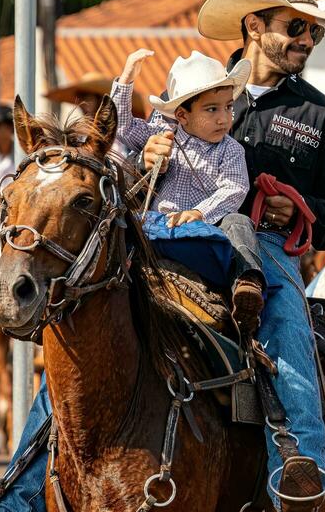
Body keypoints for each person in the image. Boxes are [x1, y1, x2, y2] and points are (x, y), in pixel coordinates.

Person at [0, 0, 325, 512]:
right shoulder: (191, 88)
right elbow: (125, 170)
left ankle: (299, 468)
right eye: (296, 27)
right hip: (167, 242)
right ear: (254, 25)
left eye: (313, 33)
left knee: (286, 324)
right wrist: (145, 160)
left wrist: (299, 206)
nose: (306, 40)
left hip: (258, 249)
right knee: (79, 342)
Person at [111, 48, 265, 330]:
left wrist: (199, 212)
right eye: (212, 109)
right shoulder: (163, 133)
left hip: (207, 234)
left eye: (229, 107)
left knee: (238, 221)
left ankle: (247, 283)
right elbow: (122, 128)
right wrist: (127, 79)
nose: (224, 118)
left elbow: (234, 188)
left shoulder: (231, 150)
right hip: (159, 229)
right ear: (182, 115)